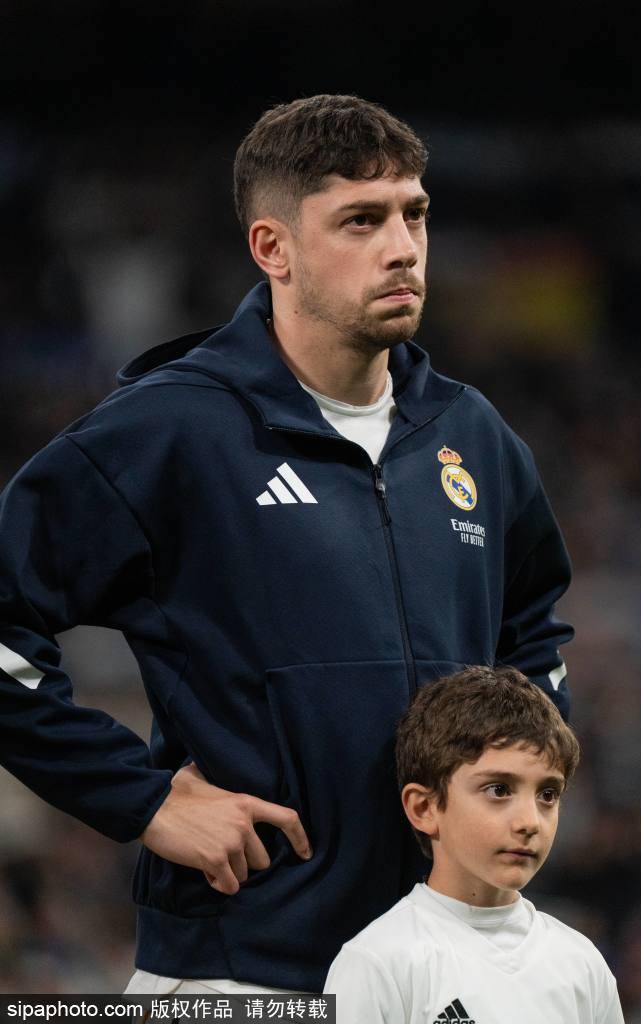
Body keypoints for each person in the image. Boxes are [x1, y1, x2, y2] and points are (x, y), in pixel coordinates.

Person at [0, 95, 574, 994]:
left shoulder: (473, 436)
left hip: (445, 968)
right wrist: (142, 799)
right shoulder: (172, 430)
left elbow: (533, 632)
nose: (402, 247)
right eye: (360, 220)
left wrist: (513, 786)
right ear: (273, 248)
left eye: (414, 214)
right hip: (246, 973)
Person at [324, 666, 625, 1023]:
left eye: (547, 794)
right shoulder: (376, 963)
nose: (529, 822)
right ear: (424, 808)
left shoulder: (583, 964)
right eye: (499, 789)